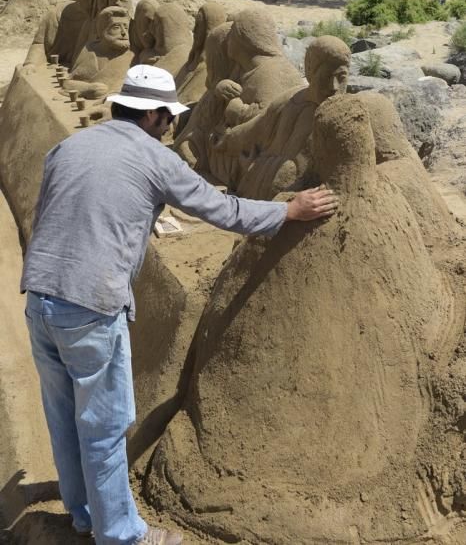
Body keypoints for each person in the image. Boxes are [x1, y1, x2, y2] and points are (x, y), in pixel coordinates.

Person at [21, 65, 338, 545]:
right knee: (104, 429)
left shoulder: (69, 146)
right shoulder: (155, 157)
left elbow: (51, 213)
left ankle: (84, 514)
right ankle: (121, 535)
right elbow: (222, 210)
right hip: (89, 305)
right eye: (167, 117)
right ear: (151, 115)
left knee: (64, 416)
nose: (171, 126)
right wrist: (287, 211)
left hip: (41, 295)